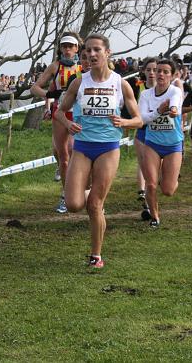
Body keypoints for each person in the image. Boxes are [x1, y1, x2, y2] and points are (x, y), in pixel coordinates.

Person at [56, 33, 142, 269]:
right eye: (88, 52)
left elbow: (139, 120)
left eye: (96, 50)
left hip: (107, 149)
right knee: (74, 204)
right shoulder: (79, 82)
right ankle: (91, 196)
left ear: (107, 53)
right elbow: (60, 112)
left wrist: (124, 123)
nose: (92, 55)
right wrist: (68, 124)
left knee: (94, 205)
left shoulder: (120, 83)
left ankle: (96, 255)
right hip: (83, 147)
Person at [31, 32, 83, 214]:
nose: (67, 50)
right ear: (60, 49)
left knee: (79, 154)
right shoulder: (55, 66)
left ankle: (84, 190)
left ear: (77, 48)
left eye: (71, 46)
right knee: (64, 157)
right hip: (60, 113)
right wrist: (50, 95)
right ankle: (65, 196)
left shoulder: (84, 66)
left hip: (80, 114)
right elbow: (35, 87)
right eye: (64, 46)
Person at [138, 59, 184, 227]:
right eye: (159, 71)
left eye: (165, 72)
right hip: (152, 143)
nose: (161, 74)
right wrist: (158, 111)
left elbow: (174, 106)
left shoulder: (175, 91)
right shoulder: (145, 95)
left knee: (168, 190)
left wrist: (172, 110)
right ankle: (155, 216)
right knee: (150, 183)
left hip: (173, 145)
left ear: (172, 76)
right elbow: (142, 119)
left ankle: (172, 176)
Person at [135, 58, 157, 208]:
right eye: (148, 70)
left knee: (156, 167)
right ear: (144, 71)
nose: (152, 73)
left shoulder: (168, 89)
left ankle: (151, 190)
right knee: (143, 162)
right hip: (142, 129)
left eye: (155, 70)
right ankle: (143, 192)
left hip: (160, 132)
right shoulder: (138, 86)